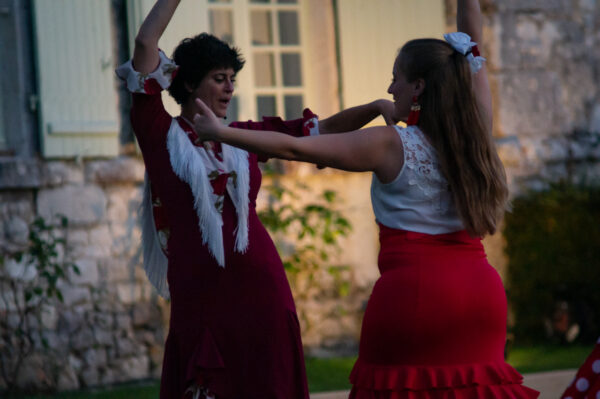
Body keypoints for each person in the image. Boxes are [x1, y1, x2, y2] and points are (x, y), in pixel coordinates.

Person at [191, 0, 540, 397]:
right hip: (482, 299)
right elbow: (472, 40)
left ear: (419, 87)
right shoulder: (477, 128)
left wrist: (221, 133)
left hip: (416, 300)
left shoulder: (392, 144)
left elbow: (298, 148)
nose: (390, 88)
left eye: (397, 79)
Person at [115, 0, 316, 397]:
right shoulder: (159, 133)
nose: (230, 87)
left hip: (263, 290)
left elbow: (313, 134)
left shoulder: (242, 136)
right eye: (220, 77)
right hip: (201, 293)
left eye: (232, 78)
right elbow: (144, 42)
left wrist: (379, 109)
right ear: (189, 83)